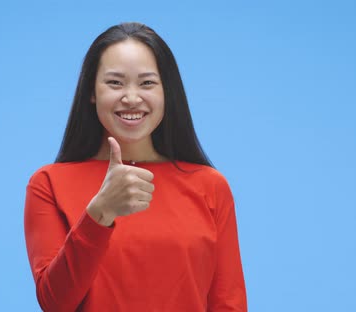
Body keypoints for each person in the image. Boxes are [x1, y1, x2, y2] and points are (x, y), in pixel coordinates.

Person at [24, 22, 247, 311]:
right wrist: (99, 214)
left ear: (168, 92)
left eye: (147, 83)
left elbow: (228, 303)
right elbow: (55, 302)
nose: (131, 97)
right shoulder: (48, 184)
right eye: (115, 82)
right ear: (91, 91)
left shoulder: (211, 186)